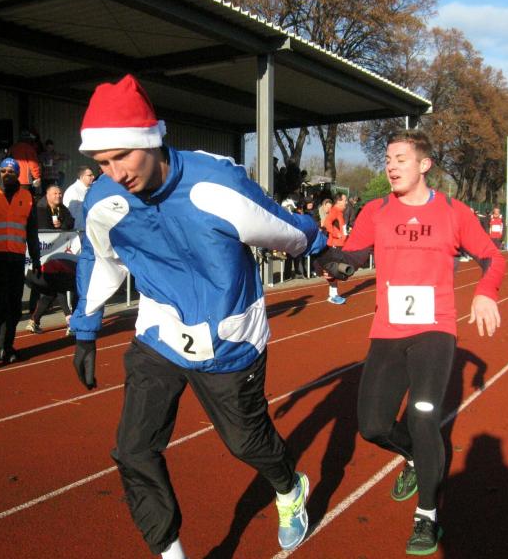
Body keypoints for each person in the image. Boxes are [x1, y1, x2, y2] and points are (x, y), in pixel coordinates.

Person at [69, 74, 328, 559]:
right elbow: (97, 257)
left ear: (152, 139)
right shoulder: (104, 201)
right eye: (102, 162)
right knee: (133, 449)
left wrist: (319, 243)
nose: (115, 173)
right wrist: (85, 327)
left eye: (123, 156)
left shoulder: (217, 185)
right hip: (160, 333)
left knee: (245, 443)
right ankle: (170, 552)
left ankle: (289, 486)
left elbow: (284, 229)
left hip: (229, 338)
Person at [314, 130, 505, 555]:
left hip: (435, 330)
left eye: (400, 158)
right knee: (373, 426)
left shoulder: (453, 212)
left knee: (422, 418)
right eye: (387, 159)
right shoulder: (376, 211)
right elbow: (352, 259)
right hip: (388, 330)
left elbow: (492, 256)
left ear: (424, 164)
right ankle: (415, 457)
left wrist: (485, 292)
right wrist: (324, 258)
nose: (391, 166)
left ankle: (427, 515)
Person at [0, 158, 41, 364]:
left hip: (16, 256)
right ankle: (3, 346)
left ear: (18, 174)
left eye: (11, 171)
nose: (6, 174)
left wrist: (36, 259)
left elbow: (32, 232)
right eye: (3, 170)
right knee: (1, 302)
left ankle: (8, 343)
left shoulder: (27, 197)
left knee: (15, 304)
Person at [27, 184, 75, 333]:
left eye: (60, 193)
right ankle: (70, 320)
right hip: (42, 257)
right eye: (55, 193)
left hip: (58, 255)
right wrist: (56, 230)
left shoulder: (62, 208)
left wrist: (61, 225)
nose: (58, 196)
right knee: (58, 285)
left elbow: (70, 221)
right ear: (47, 195)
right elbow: (43, 229)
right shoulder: (40, 209)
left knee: (51, 291)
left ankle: (34, 321)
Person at [323, 192, 348, 304]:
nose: (346, 202)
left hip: (339, 245)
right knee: (333, 270)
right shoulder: (334, 211)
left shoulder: (339, 212)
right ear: (338, 201)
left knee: (336, 270)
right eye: (344, 200)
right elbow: (327, 222)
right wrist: (336, 234)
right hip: (335, 245)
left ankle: (333, 294)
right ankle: (333, 295)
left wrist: (345, 234)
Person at [61, 165, 95, 230]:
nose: (93, 177)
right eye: (90, 175)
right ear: (82, 177)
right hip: (78, 230)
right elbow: (72, 214)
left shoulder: (90, 189)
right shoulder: (73, 191)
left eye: (92, 175)